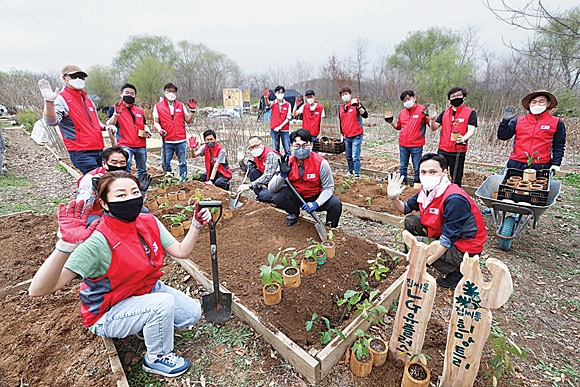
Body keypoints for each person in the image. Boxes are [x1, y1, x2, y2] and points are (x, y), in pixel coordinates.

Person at [29, 171, 212, 377]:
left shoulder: (148, 221)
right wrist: (64, 246)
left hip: (143, 291)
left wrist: (196, 224)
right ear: (105, 203)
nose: (130, 199)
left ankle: (147, 324)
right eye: (121, 195)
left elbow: (181, 252)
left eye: (134, 192)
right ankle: (156, 357)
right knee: (162, 305)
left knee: (191, 313)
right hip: (109, 309)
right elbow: (38, 290)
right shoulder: (97, 240)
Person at [387, 153, 487, 288]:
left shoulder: (454, 199)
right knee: (410, 220)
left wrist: (424, 261)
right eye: (423, 172)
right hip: (445, 235)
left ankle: (458, 271)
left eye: (433, 172)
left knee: (415, 244)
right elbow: (404, 209)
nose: (427, 176)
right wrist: (393, 197)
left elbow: (447, 240)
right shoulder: (425, 191)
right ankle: (418, 259)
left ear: (444, 172)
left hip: (464, 247)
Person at [38, 65, 112, 174]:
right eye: (74, 76)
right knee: (97, 182)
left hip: (99, 149)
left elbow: (95, 123)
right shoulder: (61, 99)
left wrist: (106, 127)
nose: (78, 80)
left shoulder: (88, 100)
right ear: (64, 78)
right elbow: (51, 121)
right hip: (81, 152)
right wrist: (49, 102)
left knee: (102, 183)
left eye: (81, 77)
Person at [268, 129, 342, 227]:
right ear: (291, 147)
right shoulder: (286, 162)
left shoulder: (321, 163)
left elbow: (328, 188)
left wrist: (317, 203)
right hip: (295, 195)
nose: (301, 149)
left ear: (311, 145)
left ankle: (330, 227)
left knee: (335, 204)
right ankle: (293, 213)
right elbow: (271, 189)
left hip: (314, 195)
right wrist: (282, 175)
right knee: (278, 197)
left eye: (305, 145)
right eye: (297, 146)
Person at [498, 90, 566, 173]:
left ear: (548, 104)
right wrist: (504, 122)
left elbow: (559, 145)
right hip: (516, 163)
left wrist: (556, 164)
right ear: (529, 104)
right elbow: (503, 136)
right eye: (534, 102)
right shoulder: (519, 121)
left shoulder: (556, 122)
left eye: (541, 102)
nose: (537, 104)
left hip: (541, 165)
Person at [429, 87, 477, 187]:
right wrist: (432, 118)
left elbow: (471, 130)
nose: (456, 98)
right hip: (443, 149)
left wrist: (463, 138)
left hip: (458, 150)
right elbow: (433, 127)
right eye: (453, 96)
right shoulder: (445, 112)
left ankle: (455, 195)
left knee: (456, 177)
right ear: (449, 99)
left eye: (458, 95)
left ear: (464, 97)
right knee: (440, 175)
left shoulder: (470, 112)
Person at [106, 83, 151, 180]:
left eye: (132, 93)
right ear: (121, 94)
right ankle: (127, 187)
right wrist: (116, 114)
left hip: (140, 144)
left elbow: (144, 124)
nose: (129, 95)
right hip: (125, 144)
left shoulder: (139, 111)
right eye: (127, 93)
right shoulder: (115, 108)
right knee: (126, 167)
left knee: (142, 169)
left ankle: (141, 189)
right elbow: (109, 125)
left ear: (135, 96)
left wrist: (147, 130)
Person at [153, 83, 196, 179]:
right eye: (168, 91)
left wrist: (192, 111)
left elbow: (188, 120)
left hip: (180, 140)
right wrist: (160, 129)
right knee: (165, 163)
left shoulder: (180, 105)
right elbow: (156, 122)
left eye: (173, 91)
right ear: (164, 92)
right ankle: (169, 178)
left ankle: (183, 180)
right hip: (167, 140)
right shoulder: (158, 106)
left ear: (176, 93)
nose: (171, 93)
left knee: (183, 162)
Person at [387, 90, 429, 185]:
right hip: (403, 144)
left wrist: (432, 117)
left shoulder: (423, 110)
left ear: (414, 98)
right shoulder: (402, 112)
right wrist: (391, 122)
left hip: (416, 145)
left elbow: (430, 124)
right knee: (403, 166)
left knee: (417, 166)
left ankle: (417, 184)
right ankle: (403, 183)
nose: (407, 101)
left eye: (408, 99)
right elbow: (398, 126)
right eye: (404, 100)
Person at [236, 135, 281, 203]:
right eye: (251, 148)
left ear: (262, 144)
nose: (254, 149)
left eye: (256, 146)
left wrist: (249, 185)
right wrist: (241, 162)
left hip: (279, 183)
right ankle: (260, 196)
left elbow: (267, 176)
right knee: (253, 172)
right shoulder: (256, 156)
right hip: (269, 182)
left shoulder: (270, 155)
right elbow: (247, 169)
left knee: (264, 196)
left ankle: (275, 197)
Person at [338, 87, 368, 176]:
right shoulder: (341, 108)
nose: (345, 96)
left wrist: (359, 106)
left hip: (356, 135)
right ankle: (350, 172)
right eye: (343, 95)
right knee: (348, 156)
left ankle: (357, 174)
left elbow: (365, 115)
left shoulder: (355, 104)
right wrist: (341, 134)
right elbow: (341, 122)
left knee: (355, 156)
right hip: (347, 136)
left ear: (350, 95)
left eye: (346, 94)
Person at [267, 86, 292, 156]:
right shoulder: (273, 103)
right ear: (275, 93)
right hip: (274, 129)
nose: (280, 94)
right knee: (275, 149)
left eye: (282, 92)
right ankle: (277, 163)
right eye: (278, 92)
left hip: (285, 129)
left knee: (287, 148)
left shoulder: (288, 104)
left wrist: (280, 127)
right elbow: (268, 104)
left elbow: (288, 118)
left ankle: (289, 163)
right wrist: (266, 97)